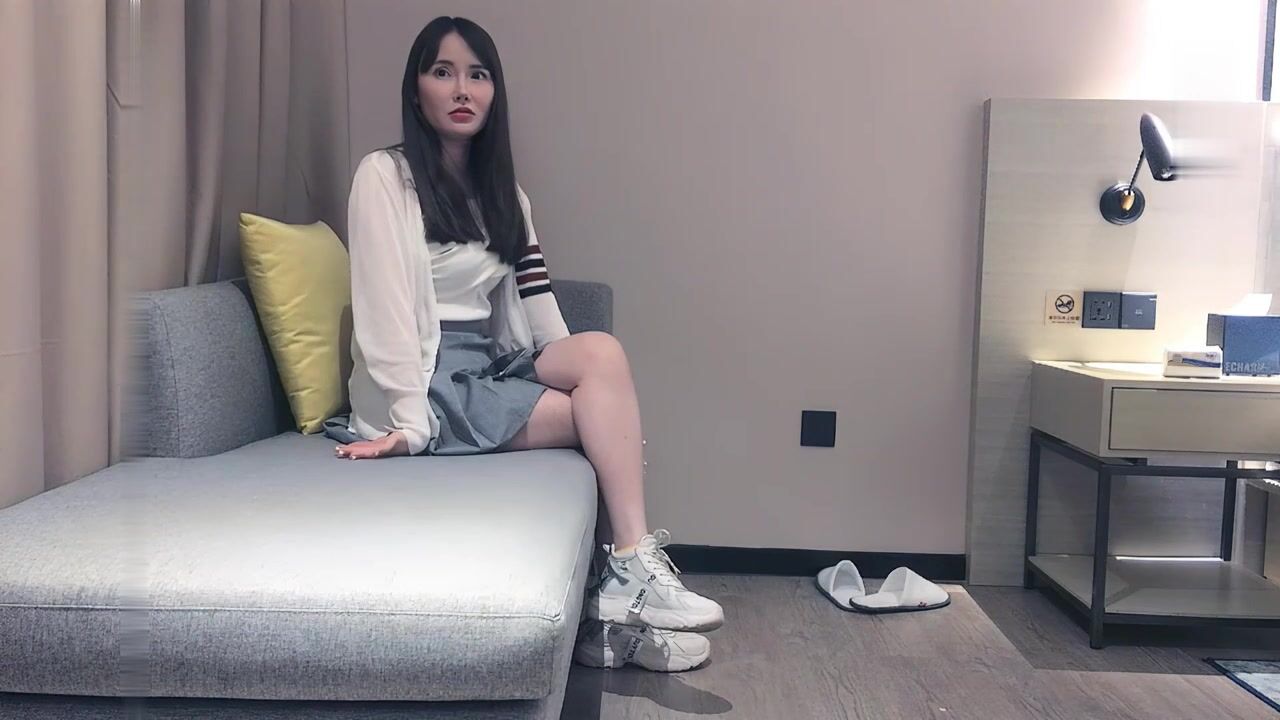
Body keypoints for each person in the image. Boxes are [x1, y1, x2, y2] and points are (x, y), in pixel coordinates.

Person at [329, 16, 722, 673]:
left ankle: (625, 576)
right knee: (596, 424)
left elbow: (537, 303)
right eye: (443, 72)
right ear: (417, 90)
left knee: (602, 357)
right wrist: (407, 423)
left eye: (478, 75)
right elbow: (382, 309)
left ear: (494, 92)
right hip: (427, 377)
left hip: (489, 365)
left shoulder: (505, 195)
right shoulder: (384, 177)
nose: (462, 89)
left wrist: (583, 377)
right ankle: (611, 608)